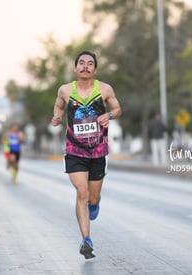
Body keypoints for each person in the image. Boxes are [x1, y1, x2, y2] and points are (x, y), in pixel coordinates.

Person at [51, 50, 122, 259]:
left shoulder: (105, 89)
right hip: (75, 150)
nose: (85, 66)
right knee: (81, 192)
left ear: (95, 69)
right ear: (75, 68)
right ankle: (86, 240)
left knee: (92, 196)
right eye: (81, 63)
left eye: (89, 63)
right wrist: (57, 117)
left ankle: (95, 202)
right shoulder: (65, 90)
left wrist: (108, 115)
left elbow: (117, 108)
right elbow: (58, 106)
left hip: (98, 151)